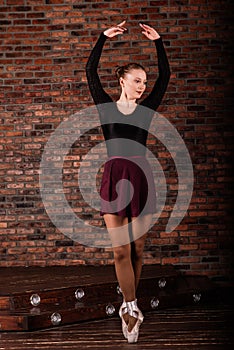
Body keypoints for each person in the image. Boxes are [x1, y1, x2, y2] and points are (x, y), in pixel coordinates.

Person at [86, 21, 170, 343]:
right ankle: (131, 307)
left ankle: (130, 304)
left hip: (140, 177)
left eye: (144, 83)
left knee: (137, 249)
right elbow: (90, 72)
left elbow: (166, 78)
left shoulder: (147, 109)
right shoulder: (106, 107)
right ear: (122, 81)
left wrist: (159, 42)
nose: (142, 86)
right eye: (136, 81)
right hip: (114, 177)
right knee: (120, 251)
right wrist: (101, 38)